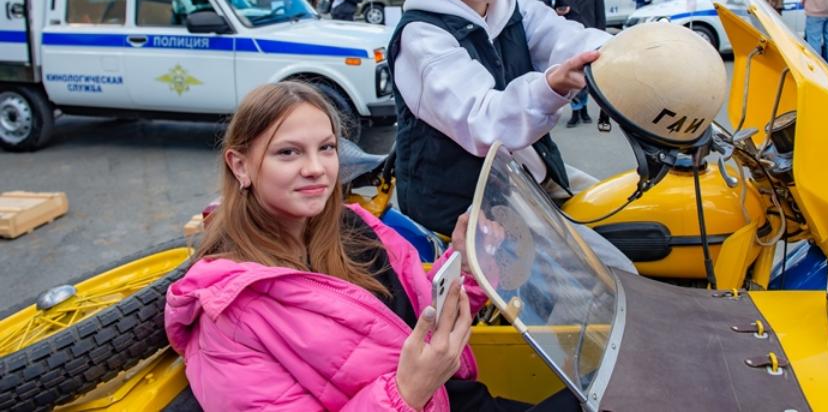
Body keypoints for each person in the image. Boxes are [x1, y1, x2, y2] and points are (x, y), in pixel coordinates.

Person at [164, 81, 579, 411]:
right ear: (240, 166)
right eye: (288, 153)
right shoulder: (228, 314)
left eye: (326, 148)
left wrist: (466, 266)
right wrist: (407, 392)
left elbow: (415, 314)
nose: (316, 169)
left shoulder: (355, 228)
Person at [388, 0, 608, 235]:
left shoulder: (510, 6)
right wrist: (552, 87)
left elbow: (566, 38)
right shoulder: (422, 37)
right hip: (467, 210)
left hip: (525, 178)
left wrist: (629, 53)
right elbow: (483, 120)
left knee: (630, 210)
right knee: (610, 259)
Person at [554, 0, 605, 127]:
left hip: (589, 37)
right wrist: (560, 12)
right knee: (573, 75)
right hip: (571, 38)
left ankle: (584, 109)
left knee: (586, 75)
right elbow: (556, 15)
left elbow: (600, 16)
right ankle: (576, 111)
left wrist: (601, 38)